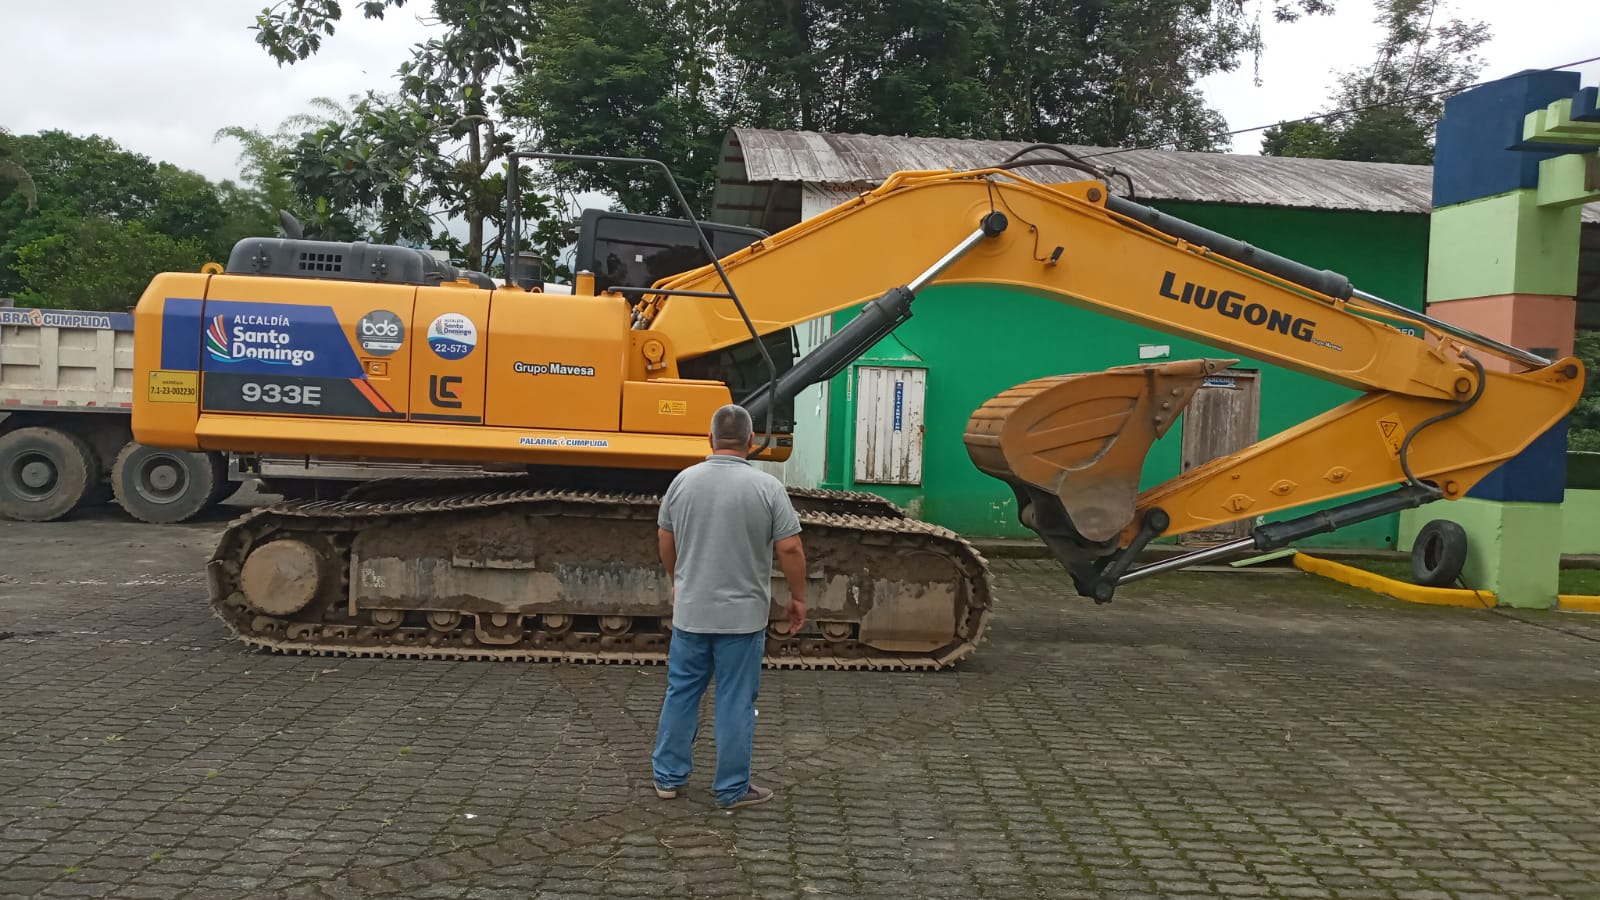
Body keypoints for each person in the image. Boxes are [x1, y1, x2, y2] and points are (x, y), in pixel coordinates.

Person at [650, 403, 807, 810]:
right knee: (736, 701)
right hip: (742, 619)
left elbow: (665, 537)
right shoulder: (767, 487)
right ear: (751, 441)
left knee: (682, 692)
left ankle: (668, 778)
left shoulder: (682, 482)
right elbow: (790, 547)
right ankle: (732, 788)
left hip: (692, 614)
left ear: (710, 439)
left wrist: (677, 580)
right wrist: (799, 597)